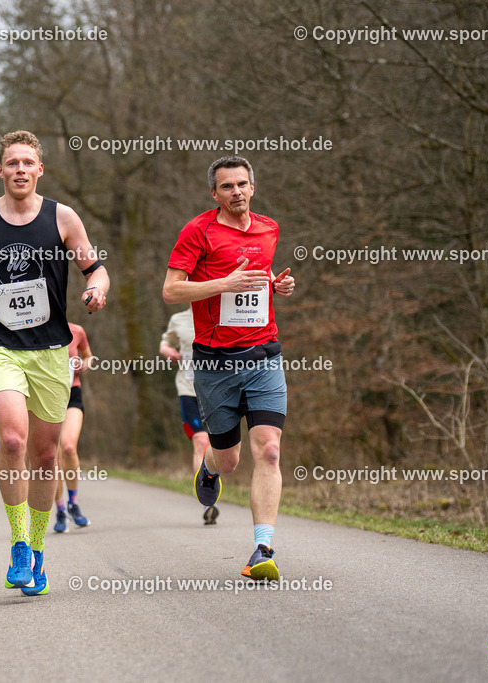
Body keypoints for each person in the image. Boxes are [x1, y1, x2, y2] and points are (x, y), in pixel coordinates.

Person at [0, 130, 109, 596]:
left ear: (40, 170)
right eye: (11, 162)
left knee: (45, 454)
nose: (20, 169)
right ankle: (18, 542)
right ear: (0, 171)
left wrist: (97, 288)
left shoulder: (63, 218)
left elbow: (94, 267)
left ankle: (38, 553)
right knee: (14, 440)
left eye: (28, 162)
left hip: (50, 350)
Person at [162, 155, 295, 581]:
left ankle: (262, 547)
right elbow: (171, 290)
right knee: (229, 459)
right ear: (214, 193)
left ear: (252, 187)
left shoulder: (269, 228)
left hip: (263, 355)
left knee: (269, 450)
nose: (236, 192)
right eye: (227, 186)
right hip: (215, 363)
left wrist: (276, 284)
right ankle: (209, 468)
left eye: (242, 184)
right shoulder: (197, 232)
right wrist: (224, 284)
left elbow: (258, 274)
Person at [159, 309, 216, 525]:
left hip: (216, 389)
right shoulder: (178, 319)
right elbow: (165, 341)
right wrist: (167, 350)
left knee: (218, 446)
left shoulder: (219, 311)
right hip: (188, 389)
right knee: (200, 441)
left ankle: (212, 483)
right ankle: (207, 502)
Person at [54, 322, 93, 532]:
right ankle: (60, 509)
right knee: (53, 456)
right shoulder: (35, 329)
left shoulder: (76, 330)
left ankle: (73, 504)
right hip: (47, 397)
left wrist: (85, 363)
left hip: (72, 395)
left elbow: (88, 355)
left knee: (68, 447)